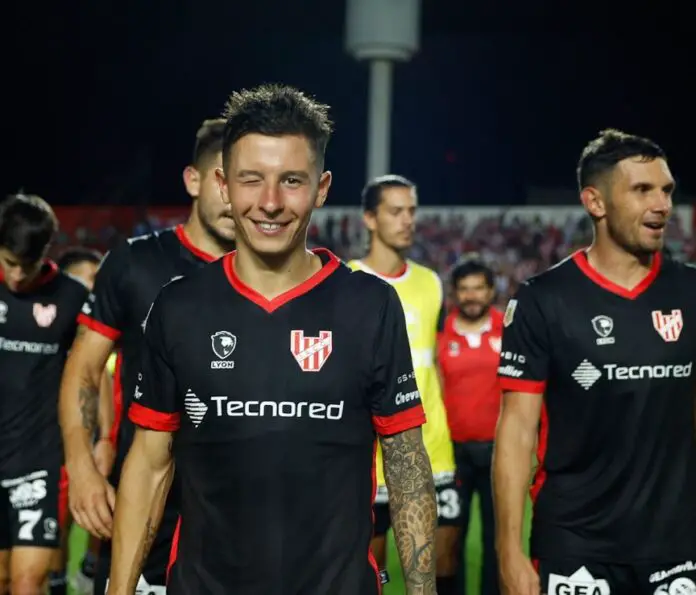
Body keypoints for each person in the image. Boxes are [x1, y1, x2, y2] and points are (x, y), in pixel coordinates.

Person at [108, 83, 437, 595]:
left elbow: (406, 463)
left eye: (291, 181)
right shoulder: (179, 307)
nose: (270, 203)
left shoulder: (370, 306)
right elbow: (150, 466)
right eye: (251, 179)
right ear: (223, 185)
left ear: (321, 188)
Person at [494, 129, 696, 595]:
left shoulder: (689, 292)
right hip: (576, 545)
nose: (662, 205)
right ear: (595, 202)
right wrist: (509, 551)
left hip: (675, 543)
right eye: (642, 190)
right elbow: (517, 431)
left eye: (666, 190)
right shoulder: (544, 300)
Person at [58, 118, 235, 595]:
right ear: (192, 180)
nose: (232, 197)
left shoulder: (267, 277)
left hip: (234, 515)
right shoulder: (135, 262)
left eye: (243, 181)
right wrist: (82, 467)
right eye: (220, 179)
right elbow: (84, 367)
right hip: (142, 504)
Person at [347, 175, 459, 594]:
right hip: (372, 456)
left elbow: (436, 366)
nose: (407, 220)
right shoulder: (347, 281)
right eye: (395, 211)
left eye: (411, 210)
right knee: (371, 570)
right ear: (370, 219)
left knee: (442, 563)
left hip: (434, 449)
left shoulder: (431, 283)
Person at [0, 195, 100, 595]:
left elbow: (92, 373)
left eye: (27, 265)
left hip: (37, 461)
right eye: (9, 262)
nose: (17, 276)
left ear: (46, 253)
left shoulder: (72, 297)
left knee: (28, 582)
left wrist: (103, 440)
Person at [437, 256, 502, 595]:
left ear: (491, 291)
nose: (471, 296)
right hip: (453, 453)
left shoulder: (510, 329)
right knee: (451, 537)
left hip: (498, 452)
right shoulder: (440, 333)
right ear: (455, 294)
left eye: (478, 288)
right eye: (464, 289)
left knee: (497, 538)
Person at [56, 247, 113, 595]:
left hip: (86, 436)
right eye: (88, 278)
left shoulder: (99, 329)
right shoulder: (46, 321)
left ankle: (90, 568)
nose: (94, 286)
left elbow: (98, 378)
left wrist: (105, 436)